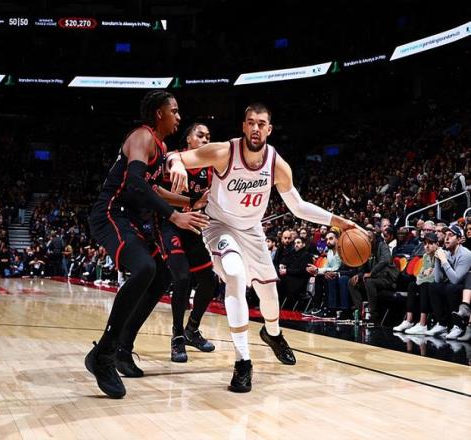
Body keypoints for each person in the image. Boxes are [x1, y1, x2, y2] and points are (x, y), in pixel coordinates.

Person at [167, 102, 358, 392]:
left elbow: (298, 206)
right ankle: (243, 361)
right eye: (251, 122)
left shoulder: (276, 164)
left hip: (252, 230)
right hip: (220, 226)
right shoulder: (224, 151)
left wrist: (339, 221)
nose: (256, 128)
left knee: (269, 292)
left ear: (269, 129)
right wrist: (179, 164)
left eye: (261, 124)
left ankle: (273, 334)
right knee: (234, 274)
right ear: (244, 126)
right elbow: (175, 156)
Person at [85, 90, 209, 399]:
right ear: (159, 113)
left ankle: (123, 349)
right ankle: (104, 353)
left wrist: (192, 202)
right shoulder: (141, 136)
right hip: (110, 212)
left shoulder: (162, 146)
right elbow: (136, 185)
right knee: (144, 268)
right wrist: (175, 216)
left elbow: (155, 191)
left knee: (162, 275)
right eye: (174, 111)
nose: (179, 116)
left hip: (131, 217)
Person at [160, 123, 217, 362]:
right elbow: (156, 193)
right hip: (169, 224)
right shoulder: (173, 160)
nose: (205, 139)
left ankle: (191, 330)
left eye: (208, 137)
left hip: (192, 226)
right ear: (188, 140)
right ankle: (177, 336)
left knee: (209, 281)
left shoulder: (210, 169)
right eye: (200, 135)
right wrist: (191, 201)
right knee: (182, 278)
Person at [393, 231, 437, 334]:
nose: (427, 246)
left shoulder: (439, 255)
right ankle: (409, 320)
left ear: (437, 244)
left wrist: (426, 275)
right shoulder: (425, 256)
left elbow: (435, 277)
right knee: (412, 285)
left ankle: (422, 324)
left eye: (430, 243)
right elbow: (420, 276)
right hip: (426, 282)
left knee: (424, 285)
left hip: (436, 284)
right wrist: (425, 274)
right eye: (425, 243)